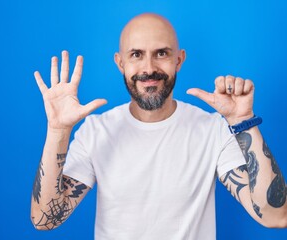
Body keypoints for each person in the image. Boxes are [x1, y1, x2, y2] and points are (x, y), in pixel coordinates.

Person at [30, 13, 287, 239]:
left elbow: (276, 217)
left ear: (179, 59)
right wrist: (58, 131)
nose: (149, 68)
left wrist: (243, 122)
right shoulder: (96, 132)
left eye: (161, 53)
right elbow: (46, 220)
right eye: (136, 55)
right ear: (120, 63)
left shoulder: (213, 130)